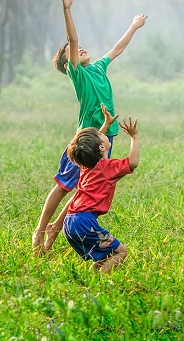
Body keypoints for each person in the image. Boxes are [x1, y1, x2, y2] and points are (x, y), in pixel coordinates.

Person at [32, 0, 147, 254]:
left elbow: (117, 49)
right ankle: (40, 231)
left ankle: (52, 237)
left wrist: (134, 26)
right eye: (72, 51)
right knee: (63, 186)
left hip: (105, 138)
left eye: (82, 48)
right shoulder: (78, 75)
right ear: (67, 63)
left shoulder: (97, 67)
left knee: (84, 189)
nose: (80, 48)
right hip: (86, 139)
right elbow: (72, 40)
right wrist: (66, 8)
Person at [63, 115, 139, 273]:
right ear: (101, 147)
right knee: (121, 252)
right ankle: (100, 283)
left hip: (69, 221)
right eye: (101, 134)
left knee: (105, 255)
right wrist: (134, 137)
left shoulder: (86, 165)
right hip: (84, 222)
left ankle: (92, 277)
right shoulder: (107, 168)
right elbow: (133, 162)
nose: (102, 133)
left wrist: (105, 125)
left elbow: (89, 146)